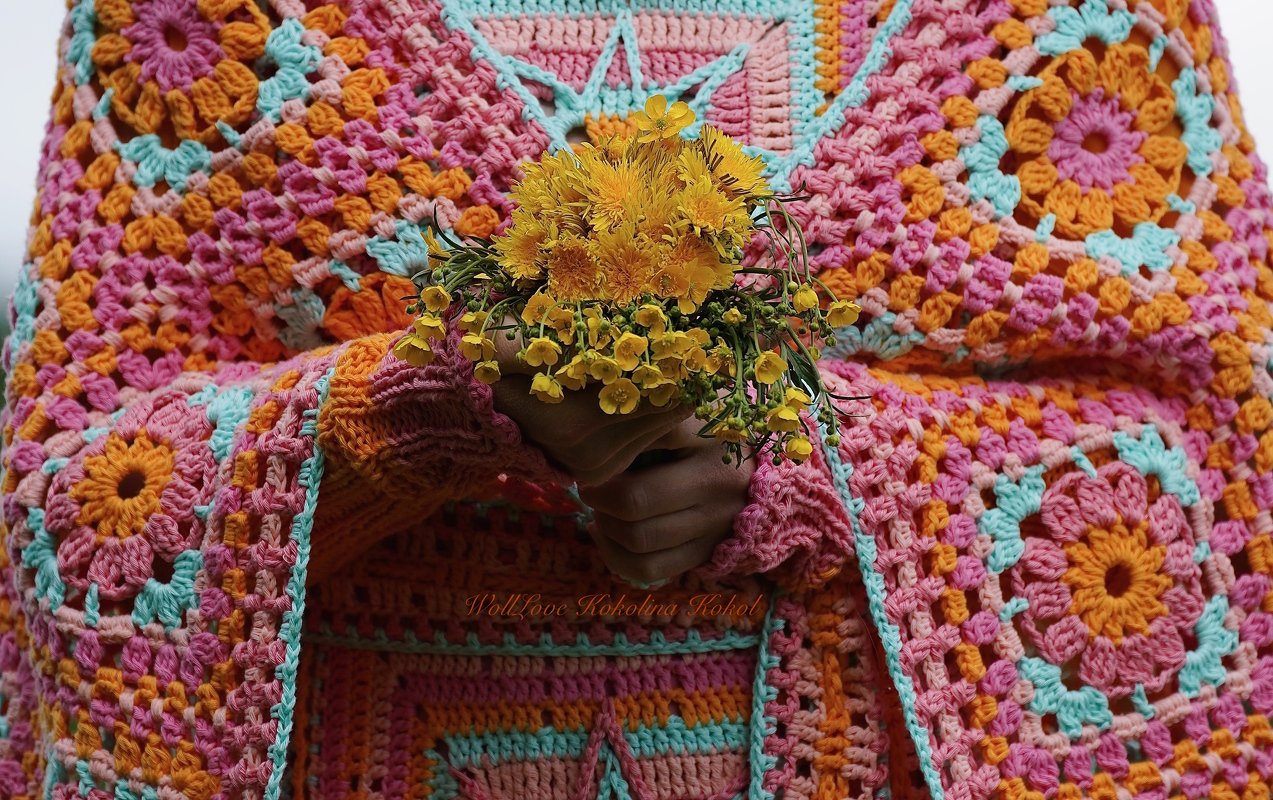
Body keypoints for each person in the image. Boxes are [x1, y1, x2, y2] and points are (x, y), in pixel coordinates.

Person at [1, 0, 1270, 798]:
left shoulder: (1068, 29)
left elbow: (1218, 439)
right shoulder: (204, 29)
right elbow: (69, 494)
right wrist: (413, 413)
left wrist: (806, 457)